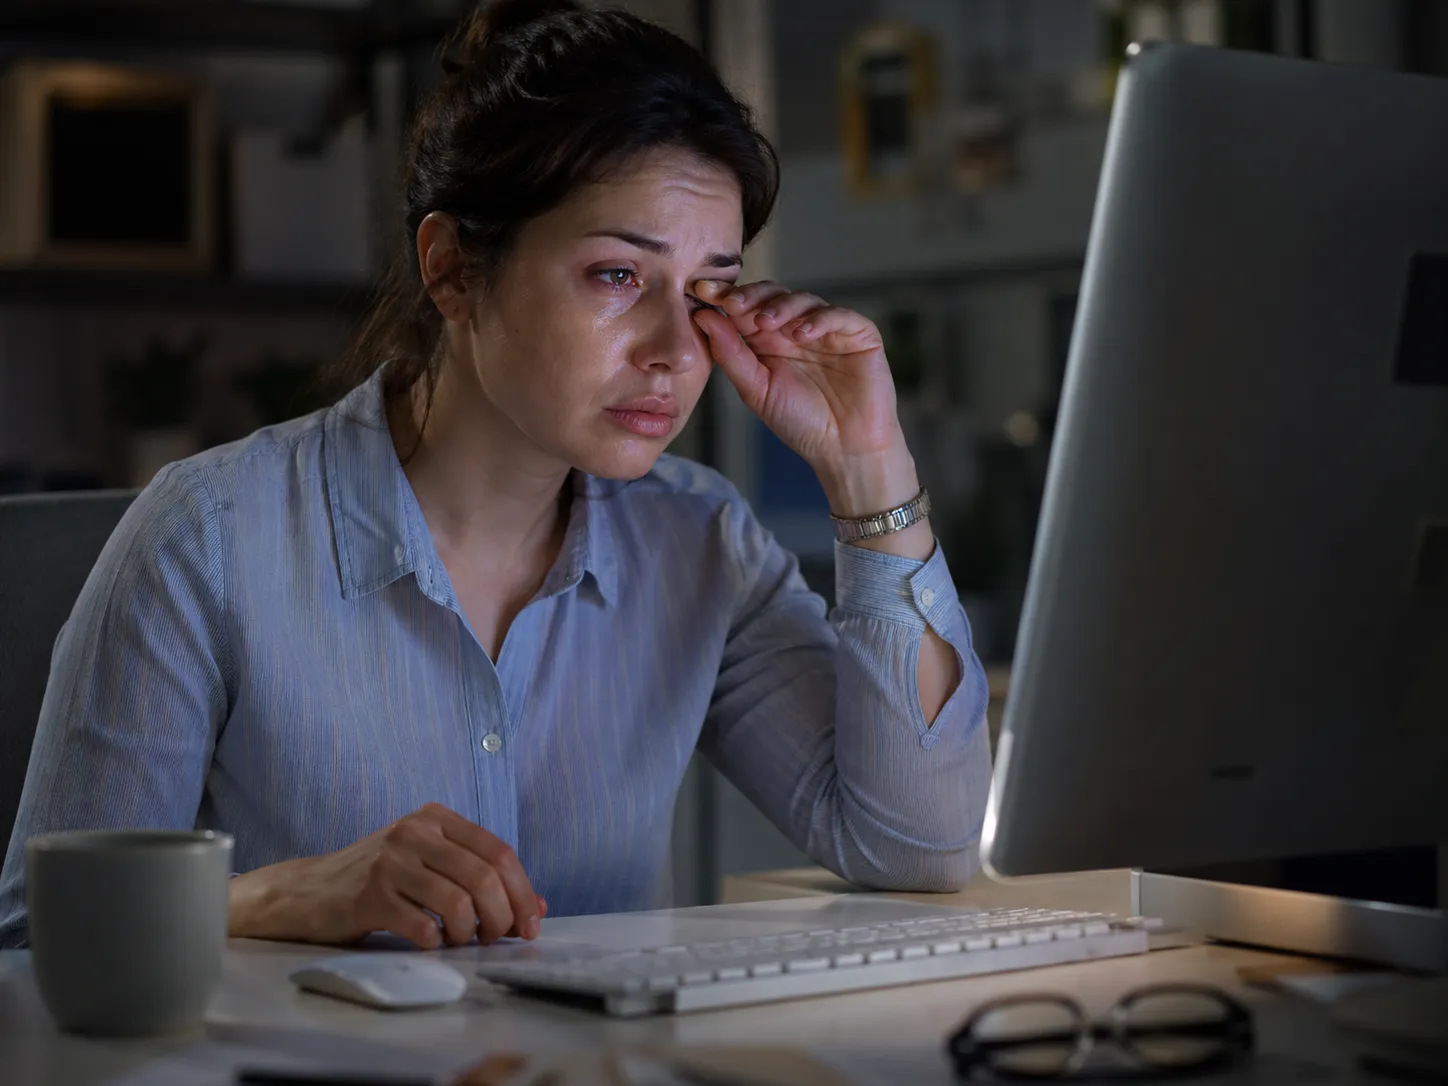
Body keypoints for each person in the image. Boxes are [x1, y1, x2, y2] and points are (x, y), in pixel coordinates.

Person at [0, 0, 992, 951]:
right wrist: (273, 898)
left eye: (709, 290)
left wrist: (868, 466)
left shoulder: (700, 543)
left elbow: (918, 847)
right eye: (614, 276)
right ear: (451, 270)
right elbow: (34, 940)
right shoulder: (210, 535)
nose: (673, 351)